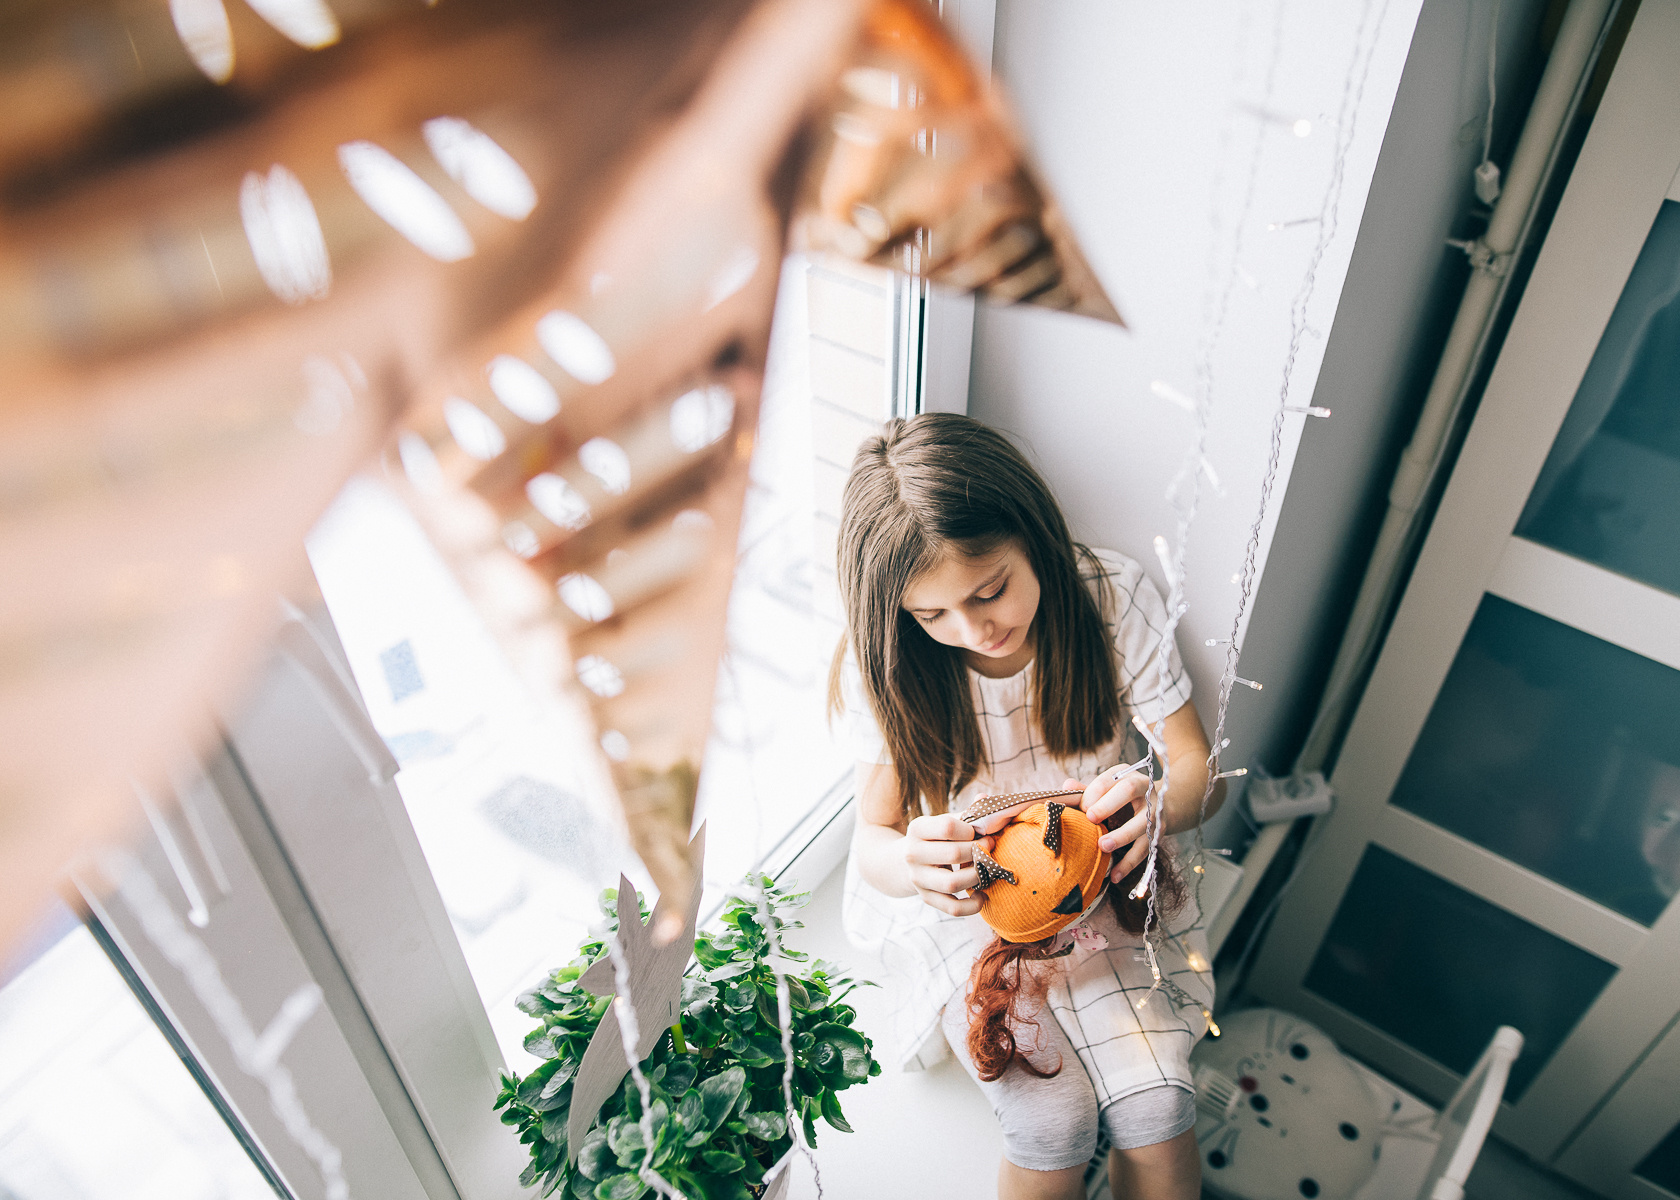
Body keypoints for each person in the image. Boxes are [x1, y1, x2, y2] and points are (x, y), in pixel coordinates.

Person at [829, 413, 1225, 1200]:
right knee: (1054, 1123)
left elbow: (1197, 770)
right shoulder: (889, 668)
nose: (974, 629)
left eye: (991, 591)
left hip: (1098, 881)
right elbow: (871, 840)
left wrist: (1154, 804)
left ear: (1033, 534)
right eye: (931, 615)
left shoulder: (1108, 597)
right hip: (975, 912)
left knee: (1157, 1099)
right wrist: (910, 862)